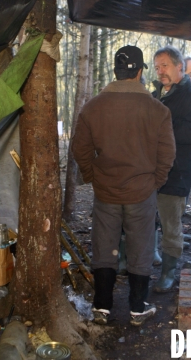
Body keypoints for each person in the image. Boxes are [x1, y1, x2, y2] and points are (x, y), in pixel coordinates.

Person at [72, 45, 176, 326]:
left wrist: (92, 176)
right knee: (141, 246)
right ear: (140, 71)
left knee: (104, 246)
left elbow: (80, 149)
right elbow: (167, 154)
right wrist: (155, 181)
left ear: (115, 71)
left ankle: (102, 307)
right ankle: (138, 307)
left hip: (106, 190)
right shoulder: (157, 109)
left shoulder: (93, 107)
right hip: (141, 192)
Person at [152, 46, 191, 292]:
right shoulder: (156, 95)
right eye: (156, 67)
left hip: (177, 170)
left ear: (179, 67)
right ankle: (151, 256)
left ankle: (168, 272)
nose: (160, 71)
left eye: (164, 65)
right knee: (149, 218)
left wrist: (165, 131)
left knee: (171, 223)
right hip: (152, 169)